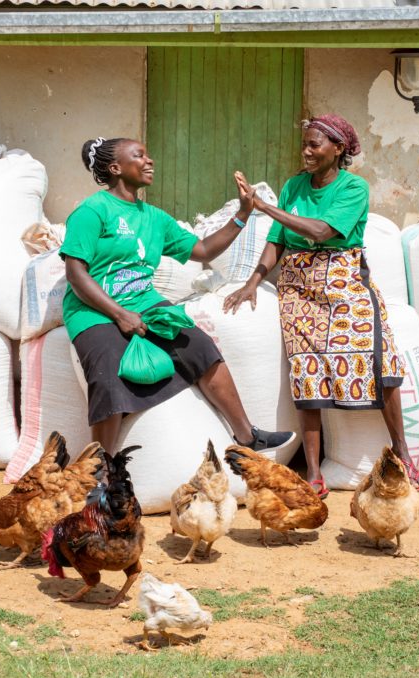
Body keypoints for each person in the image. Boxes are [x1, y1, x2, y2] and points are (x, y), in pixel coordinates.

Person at [223, 114, 419, 496]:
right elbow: (278, 239)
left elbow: (321, 230)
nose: (307, 151)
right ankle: (314, 472)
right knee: (307, 371)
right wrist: (253, 281)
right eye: (305, 143)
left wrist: (264, 206)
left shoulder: (354, 188)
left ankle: (401, 450)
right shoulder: (294, 186)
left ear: (339, 149)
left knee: (377, 356)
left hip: (343, 278)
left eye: (315, 144)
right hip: (298, 285)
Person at [60, 136, 294, 456]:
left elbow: (202, 249)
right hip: (93, 309)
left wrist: (242, 214)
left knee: (199, 346)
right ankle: (99, 466)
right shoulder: (92, 211)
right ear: (115, 168)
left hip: (144, 302)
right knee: (108, 371)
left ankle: (247, 435)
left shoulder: (154, 218)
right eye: (139, 155)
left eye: (148, 154)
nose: (149, 160)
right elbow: (76, 274)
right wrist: (119, 314)